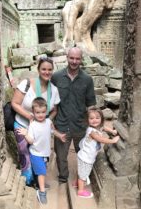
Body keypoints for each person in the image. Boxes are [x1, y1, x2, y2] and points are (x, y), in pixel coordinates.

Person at [11, 57, 61, 185]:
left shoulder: (53, 90)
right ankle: (28, 180)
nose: (47, 72)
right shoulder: (26, 84)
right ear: (38, 70)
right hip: (23, 123)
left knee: (40, 153)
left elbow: (55, 109)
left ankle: (39, 178)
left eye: (50, 70)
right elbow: (15, 103)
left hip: (40, 129)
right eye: (43, 69)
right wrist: (29, 117)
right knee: (24, 151)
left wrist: (47, 120)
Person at [51, 47, 96, 183]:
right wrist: (50, 121)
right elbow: (52, 101)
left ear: (81, 60)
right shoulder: (56, 77)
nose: (74, 61)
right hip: (62, 124)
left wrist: (94, 126)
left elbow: (91, 105)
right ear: (67, 57)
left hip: (80, 125)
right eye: (72, 58)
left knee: (84, 153)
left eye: (77, 58)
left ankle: (83, 176)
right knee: (61, 155)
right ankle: (63, 178)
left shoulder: (87, 80)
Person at [18, 97, 66, 205]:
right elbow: (30, 140)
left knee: (42, 170)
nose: (41, 115)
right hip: (36, 153)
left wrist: (60, 136)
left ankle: (40, 184)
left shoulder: (48, 121)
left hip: (45, 153)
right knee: (41, 172)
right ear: (33, 112)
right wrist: (25, 134)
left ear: (46, 111)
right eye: (37, 112)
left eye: (43, 112)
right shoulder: (33, 125)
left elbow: (52, 131)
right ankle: (42, 192)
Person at [76, 107, 120, 198]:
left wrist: (112, 131)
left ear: (101, 119)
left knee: (82, 172)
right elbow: (100, 139)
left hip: (86, 156)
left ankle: (77, 183)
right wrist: (113, 141)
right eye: (91, 118)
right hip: (85, 158)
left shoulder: (98, 127)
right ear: (87, 120)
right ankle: (80, 191)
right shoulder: (91, 131)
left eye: (97, 118)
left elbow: (104, 128)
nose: (94, 120)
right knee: (83, 175)